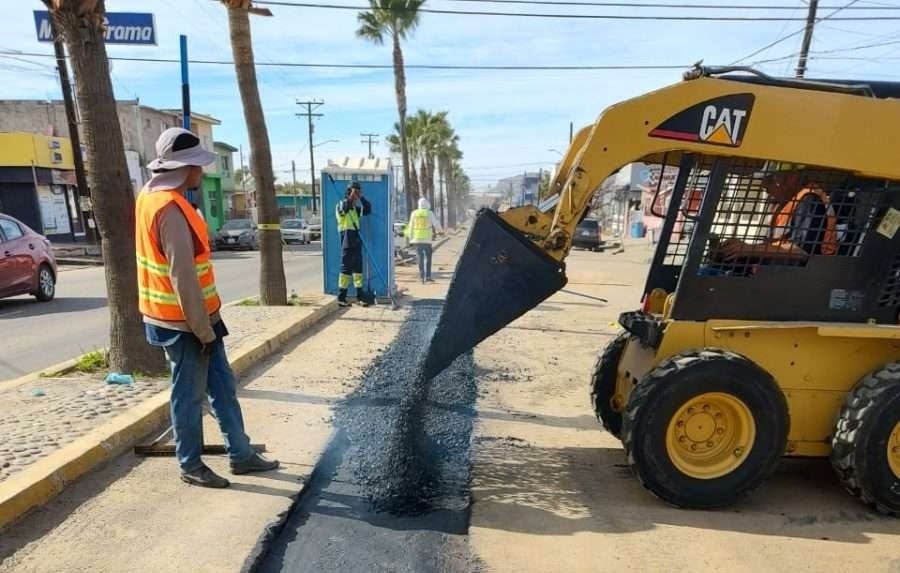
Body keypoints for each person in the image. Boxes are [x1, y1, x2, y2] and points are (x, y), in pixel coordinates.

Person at [136, 128, 278, 489]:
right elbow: (182, 275)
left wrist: (208, 324)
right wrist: (202, 330)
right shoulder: (167, 209)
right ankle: (191, 464)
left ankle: (241, 454)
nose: (202, 172)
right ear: (184, 168)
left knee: (223, 386)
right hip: (183, 323)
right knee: (188, 395)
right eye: (198, 165)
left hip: (200, 318)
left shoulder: (154, 198)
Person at [714, 166, 837, 266]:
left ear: (791, 178)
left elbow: (802, 251)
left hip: (806, 276)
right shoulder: (783, 205)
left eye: (770, 180)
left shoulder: (809, 200)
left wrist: (748, 249)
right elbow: (773, 246)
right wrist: (738, 251)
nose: (764, 186)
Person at [336, 181, 372, 307]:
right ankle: (341, 297)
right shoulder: (341, 204)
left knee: (358, 270)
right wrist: (351, 195)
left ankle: (360, 296)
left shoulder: (356, 210)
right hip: (346, 239)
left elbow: (368, 209)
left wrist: (361, 197)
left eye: (357, 192)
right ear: (349, 193)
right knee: (346, 269)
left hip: (356, 239)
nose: (356, 195)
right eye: (354, 192)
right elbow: (343, 210)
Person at [405, 197, 442, 283]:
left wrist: (410, 238)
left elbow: (410, 226)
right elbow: (436, 223)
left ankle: (422, 277)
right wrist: (441, 231)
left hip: (417, 240)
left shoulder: (414, 213)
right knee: (428, 258)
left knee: (420, 258)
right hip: (427, 240)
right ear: (427, 204)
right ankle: (428, 276)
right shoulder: (429, 213)